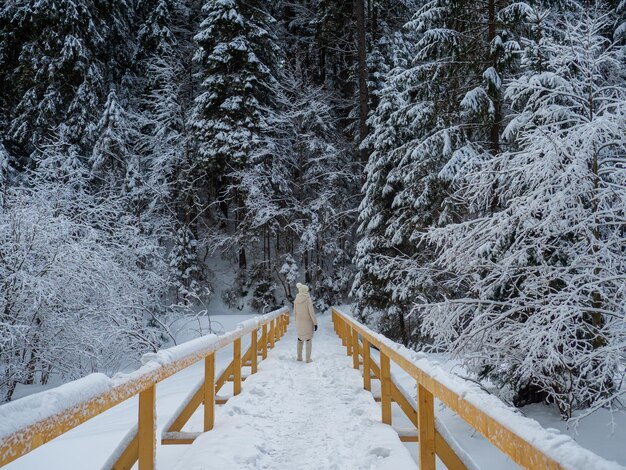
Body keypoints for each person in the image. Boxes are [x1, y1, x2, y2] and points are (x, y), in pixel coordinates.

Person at [293, 282, 317, 362]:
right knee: (308, 340)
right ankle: (308, 358)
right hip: (307, 322)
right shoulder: (308, 300)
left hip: (299, 322)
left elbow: (294, 312)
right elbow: (312, 313)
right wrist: (315, 323)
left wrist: (296, 321)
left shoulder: (296, 299)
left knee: (300, 339)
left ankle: (299, 357)